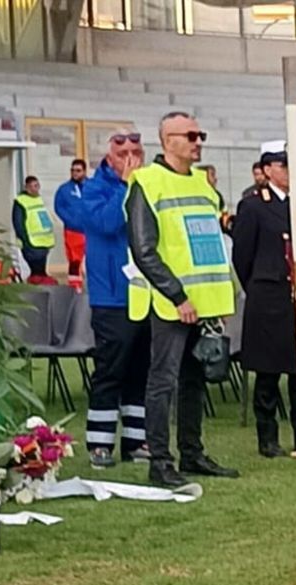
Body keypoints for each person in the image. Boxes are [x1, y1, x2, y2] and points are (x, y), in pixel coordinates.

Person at [126, 111, 238, 487]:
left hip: (203, 303)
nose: (197, 141)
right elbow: (144, 250)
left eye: (199, 134)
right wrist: (177, 295)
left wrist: (217, 303)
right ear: (167, 140)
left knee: (194, 380)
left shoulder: (204, 185)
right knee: (163, 381)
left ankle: (192, 452)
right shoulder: (147, 182)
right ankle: (160, 461)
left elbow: (212, 246)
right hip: (170, 302)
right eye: (190, 135)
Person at [78, 129, 150, 468]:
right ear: (109, 158)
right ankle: (99, 443)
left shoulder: (148, 183)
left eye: (136, 153)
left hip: (144, 293)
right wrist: (125, 184)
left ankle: (136, 442)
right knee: (110, 370)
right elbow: (106, 223)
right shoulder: (94, 188)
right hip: (111, 296)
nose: (131, 159)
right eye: (123, 154)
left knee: (140, 370)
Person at [231, 144, 296, 458]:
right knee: (268, 373)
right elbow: (242, 255)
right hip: (268, 295)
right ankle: (268, 438)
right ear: (268, 169)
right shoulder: (254, 205)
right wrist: (258, 283)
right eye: (283, 165)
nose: (288, 171)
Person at [13, 176, 55, 284]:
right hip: (31, 242)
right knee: (36, 272)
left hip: (44, 241)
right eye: (30, 186)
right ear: (26, 187)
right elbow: (18, 223)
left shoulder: (39, 199)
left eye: (36, 186)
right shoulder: (21, 201)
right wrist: (25, 240)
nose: (34, 189)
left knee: (42, 272)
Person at [54, 159, 87, 286]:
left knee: (95, 259)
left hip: (91, 230)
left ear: (84, 171)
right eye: (73, 170)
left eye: (78, 171)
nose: (75, 173)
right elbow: (59, 207)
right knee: (74, 260)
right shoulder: (64, 189)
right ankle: (75, 286)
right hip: (73, 231)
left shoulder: (93, 187)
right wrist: (70, 220)